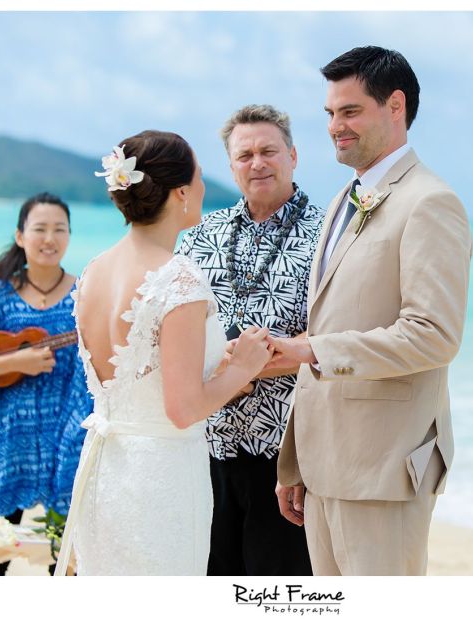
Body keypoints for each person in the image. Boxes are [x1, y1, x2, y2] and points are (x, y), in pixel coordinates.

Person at [270, 46, 473, 575]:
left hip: (384, 468)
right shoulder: (343, 198)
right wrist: (294, 461)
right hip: (323, 466)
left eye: (351, 111)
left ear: (396, 106)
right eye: (331, 114)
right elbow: (330, 321)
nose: (336, 126)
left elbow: (433, 335)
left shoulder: (430, 202)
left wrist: (310, 350)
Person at [54, 130, 273, 576]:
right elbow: (182, 408)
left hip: (108, 472)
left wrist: (217, 359)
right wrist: (244, 368)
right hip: (161, 479)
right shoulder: (179, 278)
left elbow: (143, 370)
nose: (205, 186)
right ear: (181, 194)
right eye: (198, 176)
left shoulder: (95, 269)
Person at [178, 104, 320, 575]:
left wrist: (247, 365)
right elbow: (175, 328)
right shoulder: (199, 234)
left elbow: (332, 335)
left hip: (286, 452)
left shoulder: (327, 237)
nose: (257, 163)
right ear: (231, 164)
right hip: (207, 447)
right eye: (245, 155)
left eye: (268, 151)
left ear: (293, 156)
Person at [0, 192, 92, 576]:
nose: (50, 238)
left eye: (59, 229)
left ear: (69, 236)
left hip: (67, 441)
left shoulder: (86, 294)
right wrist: (18, 361)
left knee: (65, 562)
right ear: (20, 236)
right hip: (9, 445)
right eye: (40, 229)